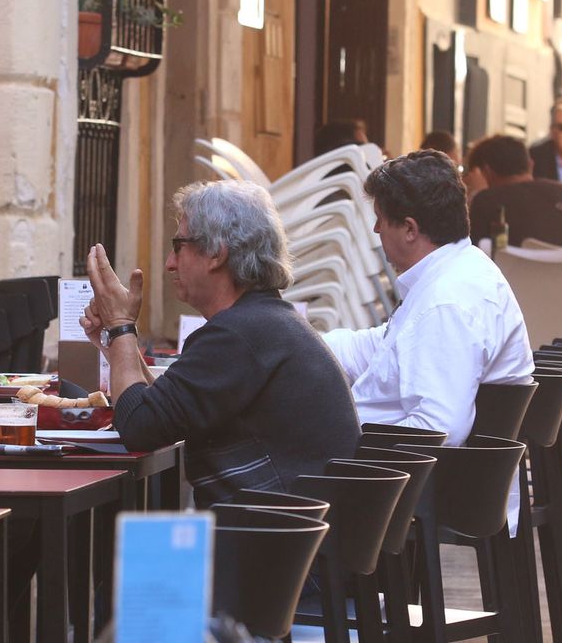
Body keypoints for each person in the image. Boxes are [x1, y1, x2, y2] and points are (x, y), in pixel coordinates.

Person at [80, 181, 359, 506]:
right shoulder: (261, 323)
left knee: (122, 536)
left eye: (178, 245)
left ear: (216, 254)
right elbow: (163, 408)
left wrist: (120, 326)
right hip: (290, 525)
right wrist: (117, 340)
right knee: (130, 531)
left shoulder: (240, 335)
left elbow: (139, 427)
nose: (170, 262)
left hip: (263, 531)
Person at [323, 151, 532, 445]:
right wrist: (303, 342)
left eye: (380, 219)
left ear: (410, 229)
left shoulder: (446, 302)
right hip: (374, 458)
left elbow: (437, 429)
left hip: (379, 468)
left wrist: (346, 446)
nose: (376, 229)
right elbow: (384, 347)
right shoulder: (457, 270)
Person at [466, 135, 562, 249]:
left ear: (485, 172)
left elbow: (467, 254)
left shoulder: (486, 201)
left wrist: (474, 194)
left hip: (518, 270)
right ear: (530, 165)